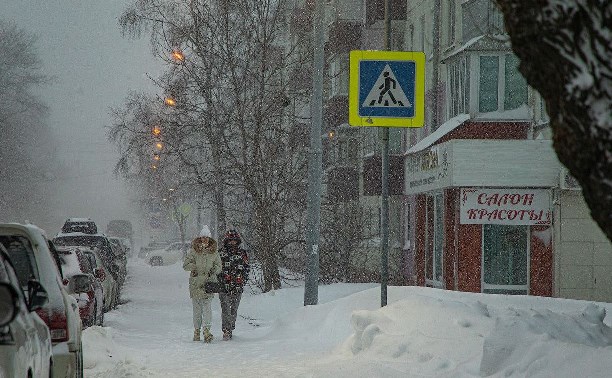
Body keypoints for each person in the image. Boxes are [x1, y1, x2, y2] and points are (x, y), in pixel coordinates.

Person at [183, 226, 221, 343]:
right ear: (200, 238)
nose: (205, 239)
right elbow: (185, 265)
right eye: (203, 237)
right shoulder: (194, 251)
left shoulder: (214, 252)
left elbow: (219, 266)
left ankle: (207, 331)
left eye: (207, 237)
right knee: (197, 310)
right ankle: (197, 331)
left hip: (208, 284)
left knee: (207, 309)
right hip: (196, 284)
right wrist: (195, 268)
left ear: (209, 239)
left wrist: (213, 271)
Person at [218, 229, 250, 340]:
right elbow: (216, 269)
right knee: (225, 308)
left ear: (237, 241)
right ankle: (226, 330)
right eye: (230, 240)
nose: (232, 242)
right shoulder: (220, 253)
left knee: (234, 309)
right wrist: (220, 280)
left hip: (238, 285)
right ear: (226, 240)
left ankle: (231, 328)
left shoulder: (242, 253)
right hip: (224, 286)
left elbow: (246, 268)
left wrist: (243, 280)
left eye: (234, 240)